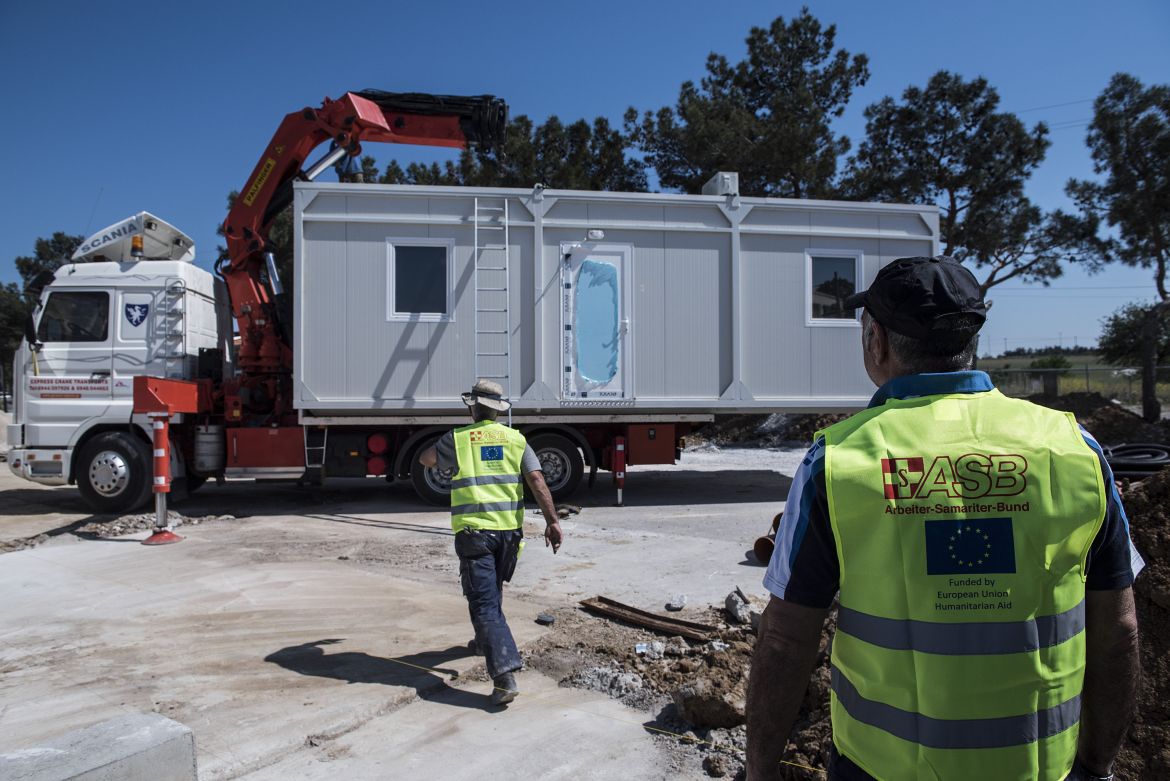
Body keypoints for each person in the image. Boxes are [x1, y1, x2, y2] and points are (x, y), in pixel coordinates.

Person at [745, 256, 1144, 781]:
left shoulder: (839, 461)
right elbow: (1117, 630)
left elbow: (786, 641)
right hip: (1042, 768)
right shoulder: (1074, 449)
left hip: (881, 770)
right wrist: (1097, 766)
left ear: (877, 342)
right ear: (970, 340)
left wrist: (759, 772)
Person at [418, 379, 563, 706]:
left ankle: (504, 674)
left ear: (472, 407)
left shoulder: (458, 439)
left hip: (475, 534)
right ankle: (484, 643)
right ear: (498, 411)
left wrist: (448, 456)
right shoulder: (515, 439)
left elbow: (426, 460)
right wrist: (552, 521)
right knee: (489, 590)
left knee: (483, 602)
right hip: (509, 535)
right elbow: (537, 479)